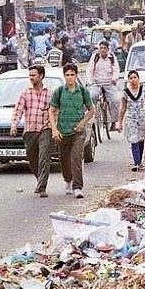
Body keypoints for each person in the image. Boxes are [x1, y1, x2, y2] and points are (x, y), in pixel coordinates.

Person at [49, 63, 95, 199]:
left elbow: (91, 110)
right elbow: (52, 111)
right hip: (63, 130)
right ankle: (68, 180)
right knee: (64, 159)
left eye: (72, 75)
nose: (70, 78)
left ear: (76, 76)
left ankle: (78, 187)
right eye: (67, 75)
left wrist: (82, 123)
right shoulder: (59, 91)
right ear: (64, 76)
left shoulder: (82, 91)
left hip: (78, 132)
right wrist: (54, 130)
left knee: (76, 158)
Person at [10, 65, 52, 197]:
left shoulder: (49, 93)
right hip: (30, 130)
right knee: (32, 158)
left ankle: (42, 187)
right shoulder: (25, 93)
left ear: (41, 76)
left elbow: (54, 111)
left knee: (44, 157)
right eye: (30, 75)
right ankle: (40, 179)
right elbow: (18, 110)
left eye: (33, 75)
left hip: (45, 128)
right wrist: (14, 125)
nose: (31, 78)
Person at [116, 70, 145, 171]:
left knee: (141, 139)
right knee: (134, 139)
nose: (133, 80)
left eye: (135, 77)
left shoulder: (144, 90)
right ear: (128, 80)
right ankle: (137, 163)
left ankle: (140, 161)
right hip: (131, 119)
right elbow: (123, 108)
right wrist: (120, 122)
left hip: (142, 118)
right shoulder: (125, 92)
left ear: (138, 79)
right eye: (131, 78)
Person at [86, 41, 120, 128]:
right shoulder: (95, 57)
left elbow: (116, 70)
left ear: (108, 49)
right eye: (101, 48)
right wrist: (90, 82)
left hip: (109, 83)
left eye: (105, 48)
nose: (103, 50)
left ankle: (113, 121)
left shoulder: (112, 57)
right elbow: (89, 70)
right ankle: (92, 116)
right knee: (92, 96)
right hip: (96, 83)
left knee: (115, 100)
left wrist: (114, 79)